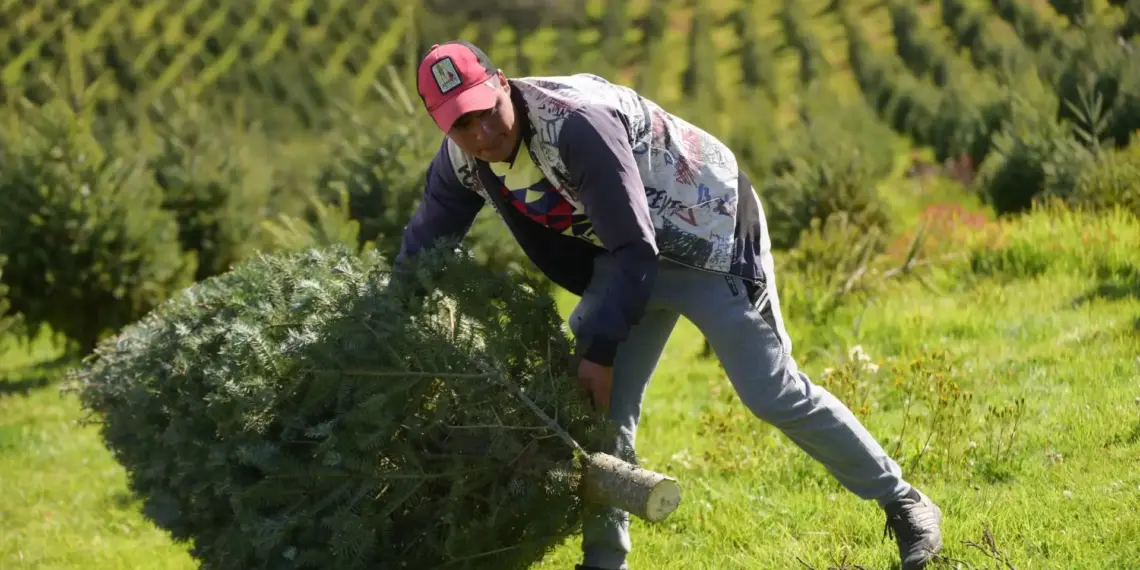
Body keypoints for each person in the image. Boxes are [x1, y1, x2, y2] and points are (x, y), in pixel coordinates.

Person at [395, 40, 944, 570]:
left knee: (771, 391)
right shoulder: (462, 161)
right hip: (625, 253)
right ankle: (604, 562)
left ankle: (905, 503)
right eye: (461, 123)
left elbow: (638, 247)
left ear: (501, 83)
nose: (482, 131)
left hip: (708, 236)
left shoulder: (577, 125)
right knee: (596, 411)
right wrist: (386, 320)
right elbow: (424, 245)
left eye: (486, 111)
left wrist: (602, 350)